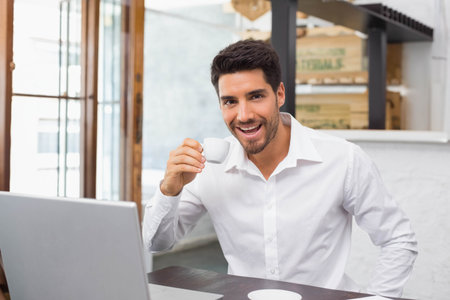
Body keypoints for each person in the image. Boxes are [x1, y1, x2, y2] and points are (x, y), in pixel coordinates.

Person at [142, 39, 417, 297]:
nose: (244, 115)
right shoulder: (210, 167)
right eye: (230, 102)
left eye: (256, 96)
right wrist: (170, 189)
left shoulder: (342, 158)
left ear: (280, 94)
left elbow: (398, 239)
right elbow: (157, 244)